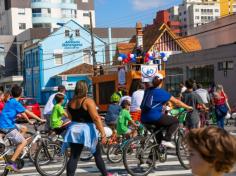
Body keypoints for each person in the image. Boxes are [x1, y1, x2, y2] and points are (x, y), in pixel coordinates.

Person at [63, 81, 117, 176]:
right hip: (86, 130)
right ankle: (106, 174)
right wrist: (103, 134)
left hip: (74, 129)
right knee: (97, 155)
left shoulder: (71, 102)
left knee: (74, 156)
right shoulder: (88, 101)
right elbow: (96, 118)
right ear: (86, 89)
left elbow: (70, 116)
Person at [141, 73, 193, 148]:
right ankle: (167, 140)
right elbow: (176, 102)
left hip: (143, 118)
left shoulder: (148, 90)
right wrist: (188, 107)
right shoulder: (161, 92)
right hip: (154, 117)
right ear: (161, 82)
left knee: (158, 140)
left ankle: (151, 159)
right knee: (175, 121)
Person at [0, 85, 45, 171]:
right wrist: (40, 119)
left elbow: (23, 112)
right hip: (7, 126)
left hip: (4, 124)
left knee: (23, 129)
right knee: (23, 142)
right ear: (21, 93)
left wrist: (28, 121)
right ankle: (11, 163)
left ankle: (16, 148)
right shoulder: (15, 103)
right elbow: (27, 112)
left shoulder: (11, 101)